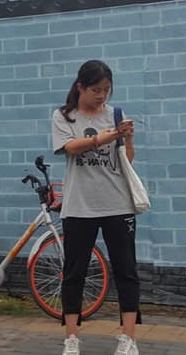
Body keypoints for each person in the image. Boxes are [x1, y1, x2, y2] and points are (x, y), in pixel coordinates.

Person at [52, 59, 140, 355]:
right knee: (74, 273)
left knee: (126, 271)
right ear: (80, 87)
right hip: (79, 206)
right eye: (96, 90)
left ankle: (128, 339)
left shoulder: (115, 115)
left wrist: (128, 139)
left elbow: (126, 161)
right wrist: (108, 136)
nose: (102, 96)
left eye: (106, 90)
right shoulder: (64, 116)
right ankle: (71, 339)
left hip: (118, 203)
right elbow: (71, 148)